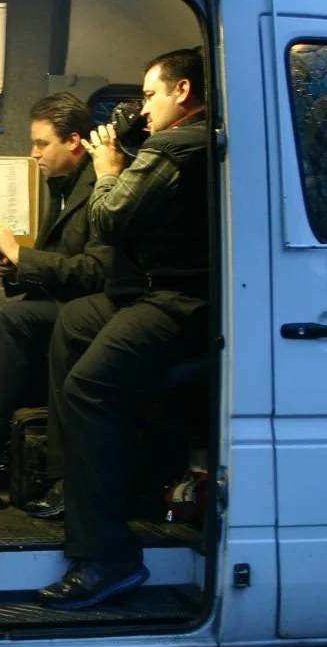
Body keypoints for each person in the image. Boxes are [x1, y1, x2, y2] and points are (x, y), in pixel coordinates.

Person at [33, 48, 212, 609]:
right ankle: (73, 481)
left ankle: (109, 557)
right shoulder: (172, 144)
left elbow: (109, 218)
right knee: (75, 319)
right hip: (157, 291)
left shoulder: (177, 146)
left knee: (88, 386)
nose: (144, 107)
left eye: (151, 94)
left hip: (181, 302)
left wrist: (109, 168)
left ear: (182, 91)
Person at [0, 92, 110, 500]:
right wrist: (15, 269)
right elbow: (59, 261)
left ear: (74, 141)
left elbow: (94, 272)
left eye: (42, 144)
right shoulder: (62, 186)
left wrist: (22, 255)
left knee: (11, 320)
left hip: (89, 309)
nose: (34, 154)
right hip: (61, 301)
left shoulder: (99, 187)